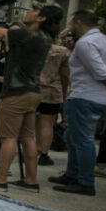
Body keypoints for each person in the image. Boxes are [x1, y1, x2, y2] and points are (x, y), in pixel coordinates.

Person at [0, 1, 62, 192]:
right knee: (28, 138)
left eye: (34, 10)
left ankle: (0, 180)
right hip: (33, 92)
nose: (29, 12)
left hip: (15, 93)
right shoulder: (45, 38)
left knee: (8, 137)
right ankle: (31, 181)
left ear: (42, 18)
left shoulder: (26, 35)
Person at [49, 10, 106, 196]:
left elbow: (101, 72)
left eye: (71, 25)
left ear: (78, 23)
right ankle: (72, 174)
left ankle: (85, 181)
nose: (70, 29)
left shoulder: (86, 43)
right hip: (98, 98)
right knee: (72, 136)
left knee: (83, 139)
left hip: (87, 97)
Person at [35, 31, 71, 166]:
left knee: (32, 123)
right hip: (52, 91)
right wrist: (63, 92)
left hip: (34, 88)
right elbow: (65, 75)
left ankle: (32, 149)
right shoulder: (62, 52)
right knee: (47, 124)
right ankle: (44, 154)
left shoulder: (34, 49)